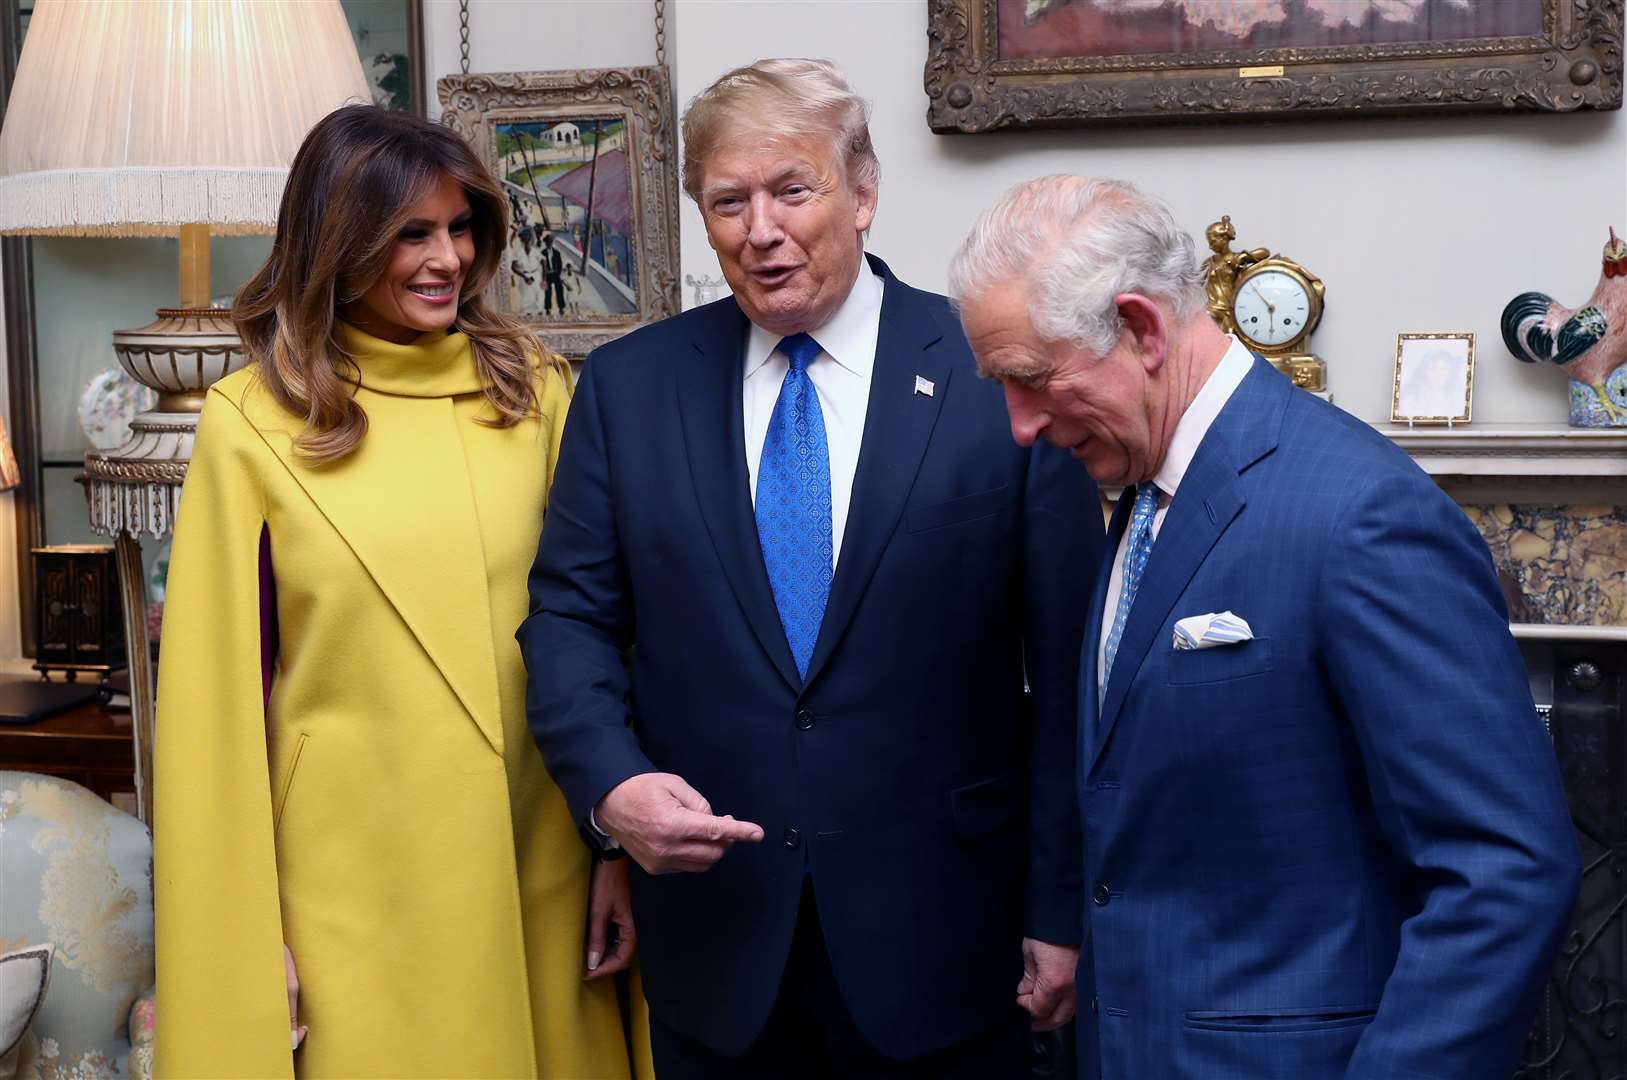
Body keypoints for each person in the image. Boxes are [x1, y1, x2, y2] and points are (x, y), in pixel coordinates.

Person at [519, 59, 1103, 1078]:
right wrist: (610, 791)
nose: (761, 229)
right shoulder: (626, 390)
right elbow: (568, 622)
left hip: (950, 943)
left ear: (864, 193)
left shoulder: (991, 371)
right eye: (728, 201)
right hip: (716, 943)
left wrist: (1060, 909)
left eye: (793, 189)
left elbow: (1072, 673)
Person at [948, 174, 1581, 1079]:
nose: (1016, 425)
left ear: (1140, 329)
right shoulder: (1141, 494)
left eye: (1029, 379)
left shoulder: (1358, 515)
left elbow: (1506, 870)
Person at [153, 104, 651, 1079]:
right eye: (409, 234)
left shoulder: (536, 389)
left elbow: (605, 641)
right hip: (354, 907)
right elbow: (214, 721)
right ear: (336, 243)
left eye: (460, 226)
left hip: (541, 878)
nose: (448, 258)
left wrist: (613, 851)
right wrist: (247, 949)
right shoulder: (249, 421)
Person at [542, 231, 566, 316]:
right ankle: (548, 309)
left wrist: (558, 273)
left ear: (552, 242)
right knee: (547, 292)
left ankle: (561, 308)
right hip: (547, 275)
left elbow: (560, 264)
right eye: (547, 242)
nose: (549, 243)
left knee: (559, 289)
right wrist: (544, 276)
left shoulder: (557, 253)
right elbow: (541, 265)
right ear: (545, 243)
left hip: (555, 274)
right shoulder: (543, 253)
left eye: (550, 242)